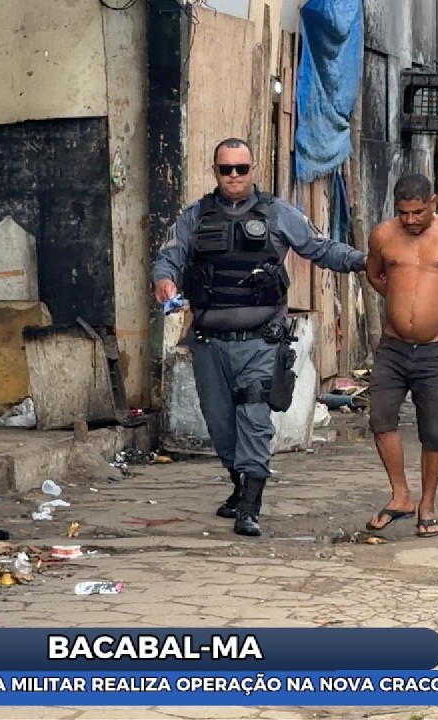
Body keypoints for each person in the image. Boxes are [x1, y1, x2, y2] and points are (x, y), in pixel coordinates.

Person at [151, 137, 367, 537]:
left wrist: (363, 261)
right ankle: (239, 486)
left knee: (254, 417)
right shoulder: (195, 216)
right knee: (220, 425)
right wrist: (164, 281)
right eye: (226, 169)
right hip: (210, 343)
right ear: (215, 171)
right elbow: (168, 258)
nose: (234, 176)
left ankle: (250, 506)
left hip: (261, 342)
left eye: (242, 168)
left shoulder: (278, 213)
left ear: (253, 170)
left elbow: (320, 248)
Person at [363, 174, 438, 538]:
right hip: (393, 346)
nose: (411, 220)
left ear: (433, 202)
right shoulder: (383, 235)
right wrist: (401, 302)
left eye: (418, 212)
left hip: (437, 348)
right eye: (403, 213)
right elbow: (374, 274)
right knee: (381, 418)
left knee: (434, 431)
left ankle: (427, 505)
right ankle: (400, 495)